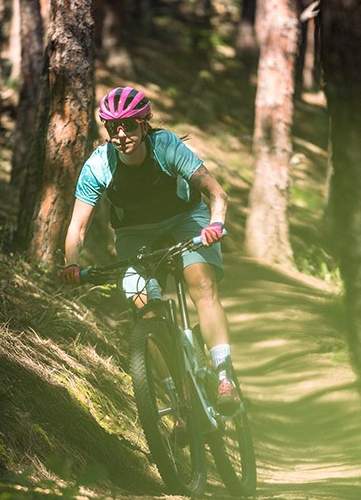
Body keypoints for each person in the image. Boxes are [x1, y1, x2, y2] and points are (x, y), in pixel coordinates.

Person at [61, 86, 239, 414]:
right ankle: (176, 396)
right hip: (134, 233)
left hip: (185, 219)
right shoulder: (99, 165)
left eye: (129, 125)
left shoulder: (166, 146)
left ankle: (224, 375)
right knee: (145, 308)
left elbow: (218, 194)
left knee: (200, 283)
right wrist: (72, 263)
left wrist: (214, 225)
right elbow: (77, 226)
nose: (121, 133)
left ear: (145, 124)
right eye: (113, 127)